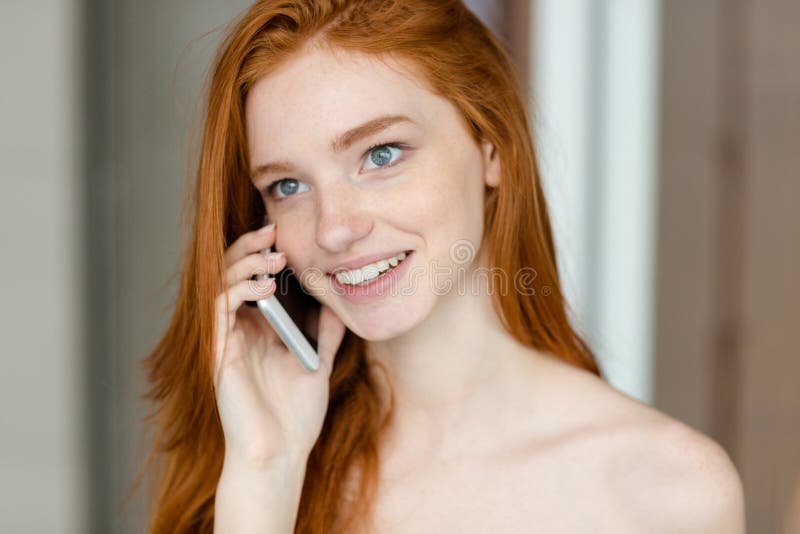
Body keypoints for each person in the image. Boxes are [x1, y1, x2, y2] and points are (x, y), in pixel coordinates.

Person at [140, 1, 746, 532]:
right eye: (288, 185)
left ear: (492, 148)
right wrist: (264, 475)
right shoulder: (258, 454)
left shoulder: (668, 489)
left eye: (381, 154)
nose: (333, 229)